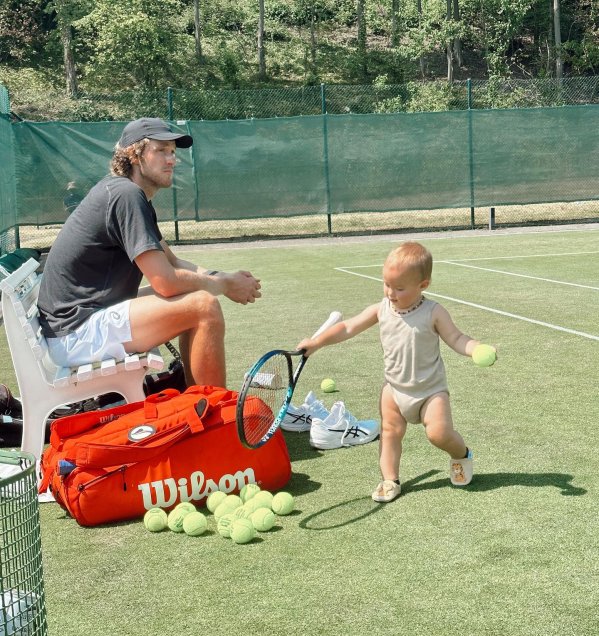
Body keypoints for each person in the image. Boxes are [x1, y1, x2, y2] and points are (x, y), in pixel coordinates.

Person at [37, 117, 261, 388]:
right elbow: (165, 282)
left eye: (173, 152)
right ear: (135, 155)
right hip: (76, 332)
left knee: (193, 294)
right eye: (161, 150)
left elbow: (174, 262)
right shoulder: (126, 195)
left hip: (77, 324)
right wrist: (224, 285)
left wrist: (224, 276)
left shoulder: (127, 193)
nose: (171, 160)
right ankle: (214, 414)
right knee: (204, 306)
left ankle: (199, 406)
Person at [297, 241, 496, 503]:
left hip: (430, 391)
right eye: (387, 284)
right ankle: (390, 479)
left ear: (423, 285)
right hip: (394, 389)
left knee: (438, 434)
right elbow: (347, 327)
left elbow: (457, 338)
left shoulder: (433, 312)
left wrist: (475, 348)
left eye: (399, 288)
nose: (391, 292)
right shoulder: (382, 309)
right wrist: (317, 342)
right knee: (390, 432)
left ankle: (461, 454)